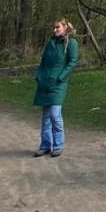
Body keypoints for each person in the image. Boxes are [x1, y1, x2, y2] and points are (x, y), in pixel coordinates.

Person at [33, 18, 80, 158]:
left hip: (58, 84)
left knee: (55, 114)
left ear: (65, 27)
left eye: (57, 27)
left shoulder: (71, 43)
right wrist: (39, 76)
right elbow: (43, 62)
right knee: (46, 116)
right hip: (45, 83)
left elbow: (72, 62)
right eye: (54, 28)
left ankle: (58, 145)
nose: (55, 30)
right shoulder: (50, 43)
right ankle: (45, 145)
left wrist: (61, 77)